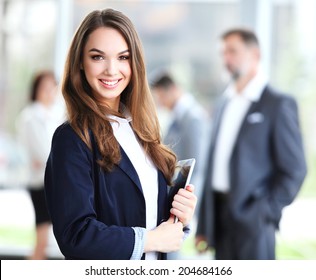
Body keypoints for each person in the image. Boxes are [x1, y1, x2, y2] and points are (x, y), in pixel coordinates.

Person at [44, 9, 197, 260]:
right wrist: (149, 240)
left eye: (123, 57)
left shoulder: (141, 131)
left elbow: (147, 216)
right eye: (97, 57)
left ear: (134, 63)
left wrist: (179, 216)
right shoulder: (71, 139)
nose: (111, 70)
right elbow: (76, 235)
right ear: (80, 62)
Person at [195, 28, 307, 260]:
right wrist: (204, 225)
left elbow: (295, 170)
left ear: (255, 54)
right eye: (223, 53)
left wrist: (264, 212)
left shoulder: (277, 104)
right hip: (220, 221)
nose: (226, 59)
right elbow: (213, 165)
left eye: (233, 51)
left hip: (254, 224)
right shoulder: (224, 103)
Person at [151, 72, 208, 259]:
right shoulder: (178, 117)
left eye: (161, 96)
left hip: (183, 196)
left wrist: (186, 202)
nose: (160, 102)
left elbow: (196, 164)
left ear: (173, 90)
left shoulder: (193, 118)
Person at [16, 70, 61, 259]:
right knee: (42, 240)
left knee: (44, 239)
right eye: (45, 87)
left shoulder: (51, 115)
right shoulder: (32, 115)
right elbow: (44, 152)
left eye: (53, 87)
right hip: (40, 182)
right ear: (36, 90)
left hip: (47, 179)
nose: (50, 91)